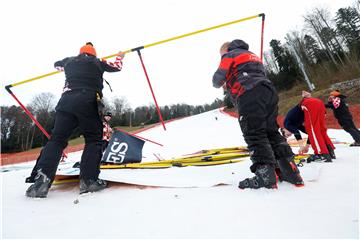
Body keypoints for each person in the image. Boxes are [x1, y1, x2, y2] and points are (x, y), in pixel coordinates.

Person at [25, 42, 125, 198]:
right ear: (94, 54)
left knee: (56, 140)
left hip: (66, 102)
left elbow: (57, 65)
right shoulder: (98, 62)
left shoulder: (69, 61)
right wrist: (120, 56)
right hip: (88, 100)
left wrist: (68, 64)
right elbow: (117, 67)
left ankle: (41, 182)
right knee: (93, 139)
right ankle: (89, 180)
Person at [212, 39, 304, 189]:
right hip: (268, 92)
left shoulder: (229, 55)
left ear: (226, 50)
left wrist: (224, 80)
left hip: (249, 93)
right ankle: (290, 172)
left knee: (254, 133)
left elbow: (216, 80)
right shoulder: (252, 55)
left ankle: (265, 176)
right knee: (271, 131)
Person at [281, 94, 335, 161]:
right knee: (319, 131)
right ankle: (330, 151)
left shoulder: (286, 124)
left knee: (313, 131)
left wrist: (301, 147)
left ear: (283, 129)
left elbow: (296, 133)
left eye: (286, 135)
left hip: (308, 104)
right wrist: (307, 146)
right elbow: (309, 134)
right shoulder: (297, 125)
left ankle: (322, 154)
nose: (290, 135)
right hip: (319, 103)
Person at [299, 91, 335, 162]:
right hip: (320, 104)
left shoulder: (304, 102)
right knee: (322, 131)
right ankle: (330, 151)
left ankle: (322, 154)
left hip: (311, 106)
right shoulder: (315, 100)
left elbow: (301, 109)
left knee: (314, 132)